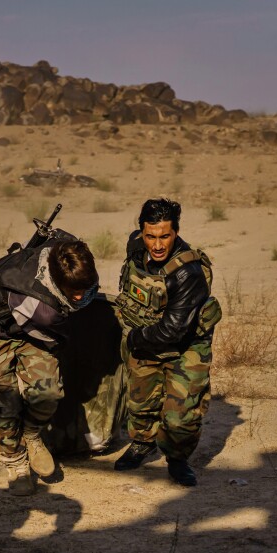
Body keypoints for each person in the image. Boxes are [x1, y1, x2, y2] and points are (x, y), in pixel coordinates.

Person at [0, 233, 99, 495]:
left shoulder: (64, 251)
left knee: (47, 391)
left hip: (25, 324)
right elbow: (58, 337)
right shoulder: (44, 310)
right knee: (4, 404)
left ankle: (31, 433)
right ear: (57, 282)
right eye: (75, 294)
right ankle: (15, 462)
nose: (81, 297)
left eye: (85, 290)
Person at [112, 197, 222, 486]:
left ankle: (177, 457)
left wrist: (132, 337)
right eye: (151, 236)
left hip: (183, 346)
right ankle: (142, 443)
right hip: (147, 336)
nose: (157, 245)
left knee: (179, 418)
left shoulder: (188, 272)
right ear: (141, 232)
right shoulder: (135, 247)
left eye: (165, 236)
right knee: (140, 401)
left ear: (176, 232)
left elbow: (172, 332)